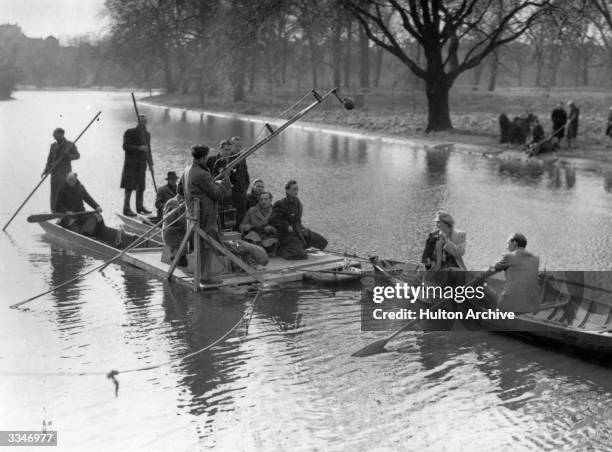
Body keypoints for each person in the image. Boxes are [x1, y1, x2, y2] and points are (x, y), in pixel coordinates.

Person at [178, 145, 231, 284]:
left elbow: (179, 190)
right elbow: (217, 194)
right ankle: (206, 277)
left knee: (200, 245)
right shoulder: (202, 174)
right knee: (207, 245)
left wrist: (209, 185)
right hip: (205, 216)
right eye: (206, 157)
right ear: (203, 157)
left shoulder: (187, 170)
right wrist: (226, 179)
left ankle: (201, 274)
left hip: (192, 214)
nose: (207, 159)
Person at [479, 233, 540, 313]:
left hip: (510, 302)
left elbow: (491, 270)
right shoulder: (535, 259)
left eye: (507, 243)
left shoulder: (510, 256)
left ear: (514, 243)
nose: (506, 247)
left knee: (483, 285)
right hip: (531, 302)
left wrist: (477, 275)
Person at [269, 180, 328, 260]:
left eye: (297, 189)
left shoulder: (297, 202)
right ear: (287, 190)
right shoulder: (280, 204)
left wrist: (303, 229)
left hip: (298, 230)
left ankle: (299, 245)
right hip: (286, 233)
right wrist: (286, 226)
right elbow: (272, 220)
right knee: (300, 255)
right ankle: (282, 249)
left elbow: (297, 220)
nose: (296, 191)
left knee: (320, 241)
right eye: (293, 189)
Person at [121, 114, 154, 217]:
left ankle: (140, 208)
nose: (143, 124)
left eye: (145, 122)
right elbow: (125, 146)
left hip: (142, 165)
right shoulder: (129, 132)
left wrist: (151, 164)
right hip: (131, 165)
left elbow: (148, 150)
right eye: (141, 122)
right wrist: (139, 148)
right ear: (138, 122)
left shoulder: (147, 134)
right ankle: (126, 209)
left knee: (141, 187)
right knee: (129, 187)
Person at [54, 172, 104, 237]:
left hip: (81, 213)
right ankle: (82, 234)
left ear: (76, 180)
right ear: (66, 180)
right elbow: (58, 206)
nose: (70, 181)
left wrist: (96, 206)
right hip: (69, 216)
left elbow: (88, 199)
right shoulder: (62, 189)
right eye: (69, 180)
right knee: (75, 228)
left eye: (72, 180)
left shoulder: (80, 188)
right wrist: (66, 211)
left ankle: (86, 234)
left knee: (96, 216)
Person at [42, 128, 80, 212]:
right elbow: (49, 159)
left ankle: (65, 210)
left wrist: (68, 156)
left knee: (65, 191)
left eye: (55, 135)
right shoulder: (53, 145)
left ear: (61, 135)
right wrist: (46, 170)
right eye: (53, 135)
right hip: (54, 173)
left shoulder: (70, 144)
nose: (54, 137)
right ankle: (54, 211)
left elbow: (77, 155)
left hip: (65, 173)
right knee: (54, 192)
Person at [162, 194, 187, 267]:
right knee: (182, 261)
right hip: (172, 233)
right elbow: (168, 218)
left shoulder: (186, 202)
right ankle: (175, 256)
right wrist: (179, 208)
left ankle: (180, 256)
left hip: (181, 231)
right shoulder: (172, 202)